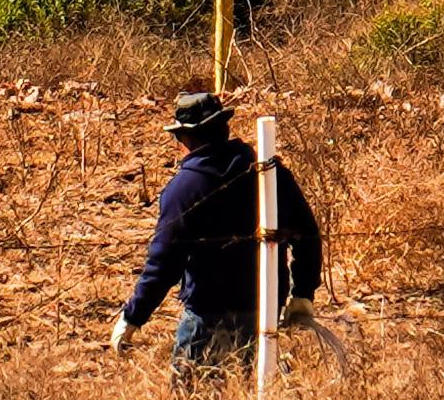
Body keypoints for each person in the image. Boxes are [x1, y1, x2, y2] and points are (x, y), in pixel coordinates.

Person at [109, 92, 321, 381]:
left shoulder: (183, 190)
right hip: (264, 310)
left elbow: (164, 263)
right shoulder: (270, 174)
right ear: (224, 127)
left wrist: (133, 316)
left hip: (206, 316)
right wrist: (303, 294)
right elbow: (307, 234)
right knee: (251, 396)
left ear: (184, 138)